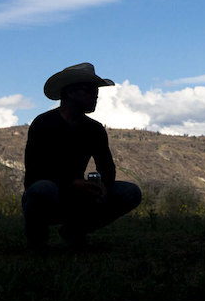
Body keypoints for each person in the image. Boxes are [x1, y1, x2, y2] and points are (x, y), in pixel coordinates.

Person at [22, 63, 142, 251]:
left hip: (79, 196)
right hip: (50, 194)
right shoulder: (43, 124)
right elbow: (35, 173)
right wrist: (71, 183)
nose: (95, 96)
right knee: (42, 189)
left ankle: (74, 230)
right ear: (70, 92)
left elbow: (107, 168)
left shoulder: (94, 129)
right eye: (89, 91)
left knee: (130, 192)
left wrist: (102, 185)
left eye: (96, 92)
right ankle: (37, 239)